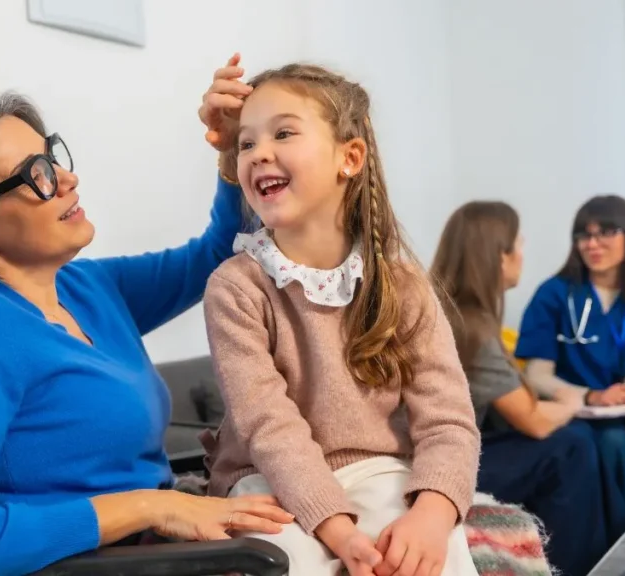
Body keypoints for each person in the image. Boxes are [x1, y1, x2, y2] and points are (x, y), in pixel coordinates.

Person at [0, 54, 294, 576]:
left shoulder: (83, 286)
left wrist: (231, 151)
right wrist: (152, 505)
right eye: (35, 175)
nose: (67, 178)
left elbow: (215, 254)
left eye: (52, 157)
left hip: (159, 551)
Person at [198, 62, 481, 576]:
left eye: (283, 132)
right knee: (293, 559)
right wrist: (338, 530)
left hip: (379, 469)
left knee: (434, 557)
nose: (259, 152)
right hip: (266, 478)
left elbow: (448, 423)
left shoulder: (405, 288)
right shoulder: (235, 288)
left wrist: (435, 515)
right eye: (245, 143)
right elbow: (270, 428)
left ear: (349, 159)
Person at [429, 201, 607, 576]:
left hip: (444, 452)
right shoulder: (472, 330)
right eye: (519, 245)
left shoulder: (448, 312)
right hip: (447, 466)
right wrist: (575, 401)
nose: (522, 255)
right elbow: (534, 421)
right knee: (572, 444)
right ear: (498, 256)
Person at [513, 195, 625, 543]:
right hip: (579, 415)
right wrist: (593, 395)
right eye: (584, 235)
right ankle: (621, 547)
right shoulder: (554, 295)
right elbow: (536, 375)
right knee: (614, 443)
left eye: (605, 232)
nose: (592, 243)